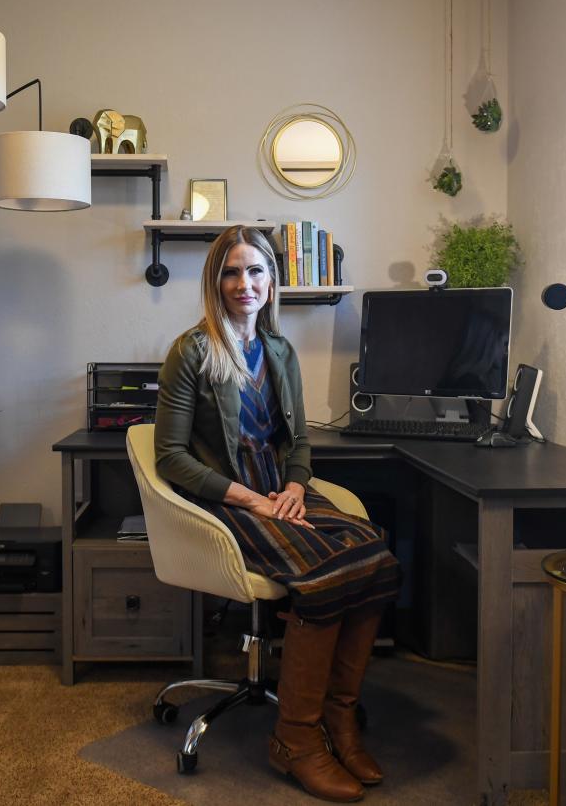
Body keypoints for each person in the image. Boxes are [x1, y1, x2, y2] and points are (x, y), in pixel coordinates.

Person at [154, 225, 402, 802]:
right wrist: (253, 498)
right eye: (231, 272)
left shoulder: (282, 351)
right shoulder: (192, 351)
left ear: (273, 281)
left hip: (279, 491)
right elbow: (170, 457)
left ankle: (337, 721)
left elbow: (300, 442)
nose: (245, 283)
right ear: (215, 281)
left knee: (379, 558)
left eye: (256, 271)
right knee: (325, 573)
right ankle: (294, 739)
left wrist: (294, 485)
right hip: (228, 500)